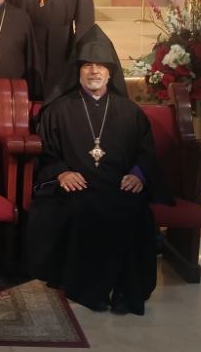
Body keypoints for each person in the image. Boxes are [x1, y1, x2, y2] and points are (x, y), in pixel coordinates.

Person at [23, 25, 171, 316]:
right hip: (77, 188)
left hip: (119, 184)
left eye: (100, 66)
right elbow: (47, 153)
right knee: (81, 208)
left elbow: (145, 151)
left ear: (111, 72)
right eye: (88, 65)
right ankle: (87, 287)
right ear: (78, 70)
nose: (94, 72)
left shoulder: (130, 112)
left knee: (135, 208)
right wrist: (62, 172)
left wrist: (138, 174)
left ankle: (126, 289)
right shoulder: (57, 111)